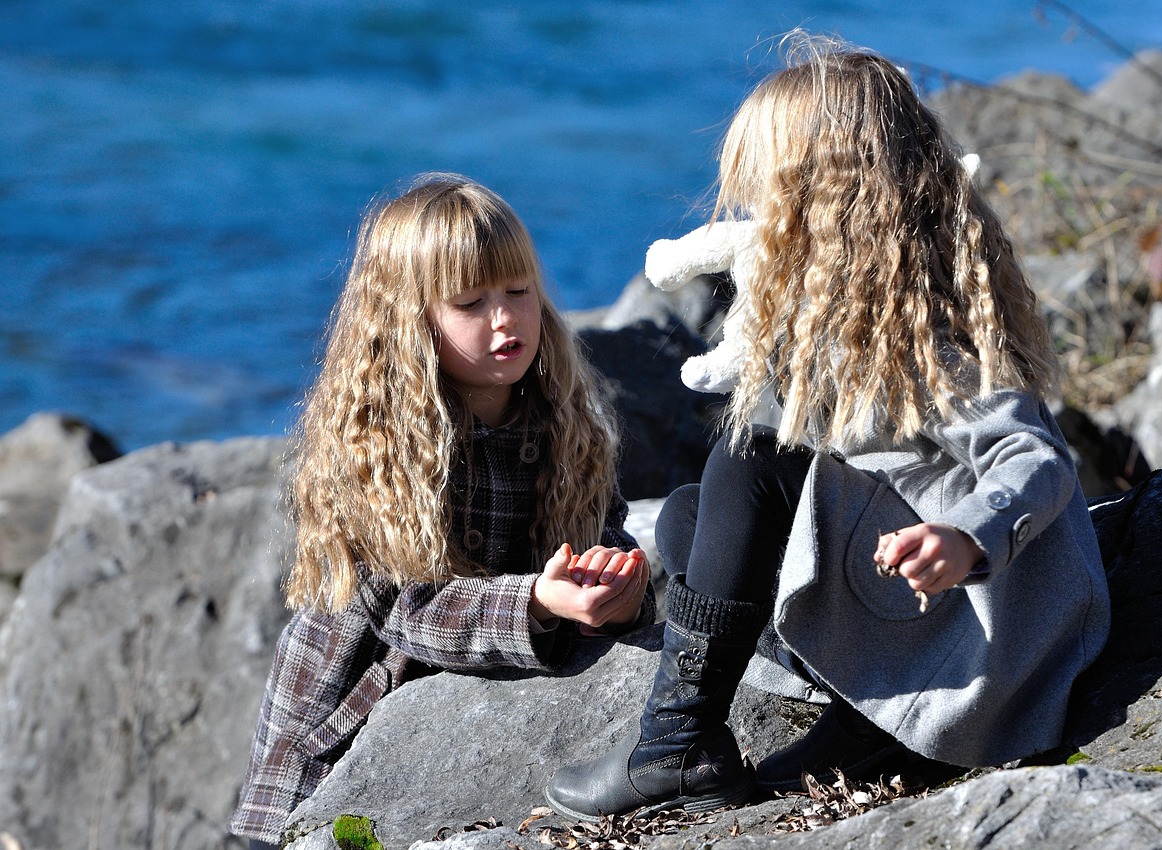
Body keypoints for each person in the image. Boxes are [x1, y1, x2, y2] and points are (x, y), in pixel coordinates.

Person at [545, 36, 1110, 820]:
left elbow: (1034, 458)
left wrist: (967, 537)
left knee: (749, 463)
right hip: (919, 617)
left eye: (771, 196)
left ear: (836, 201)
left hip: (987, 648)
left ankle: (677, 743)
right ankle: (870, 716)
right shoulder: (851, 307)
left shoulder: (928, 329)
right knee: (688, 520)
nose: (758, 219)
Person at [229, 173, 653, 849]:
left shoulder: (567, 423)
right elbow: (409, 609)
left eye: (519, 291)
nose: (504, 318)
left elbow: (604, 532)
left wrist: (617, 590)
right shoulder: (378, 445)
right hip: (335, 731)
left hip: (468, 722)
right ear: (410, 321)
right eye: (470, 302)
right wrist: (536, 602)